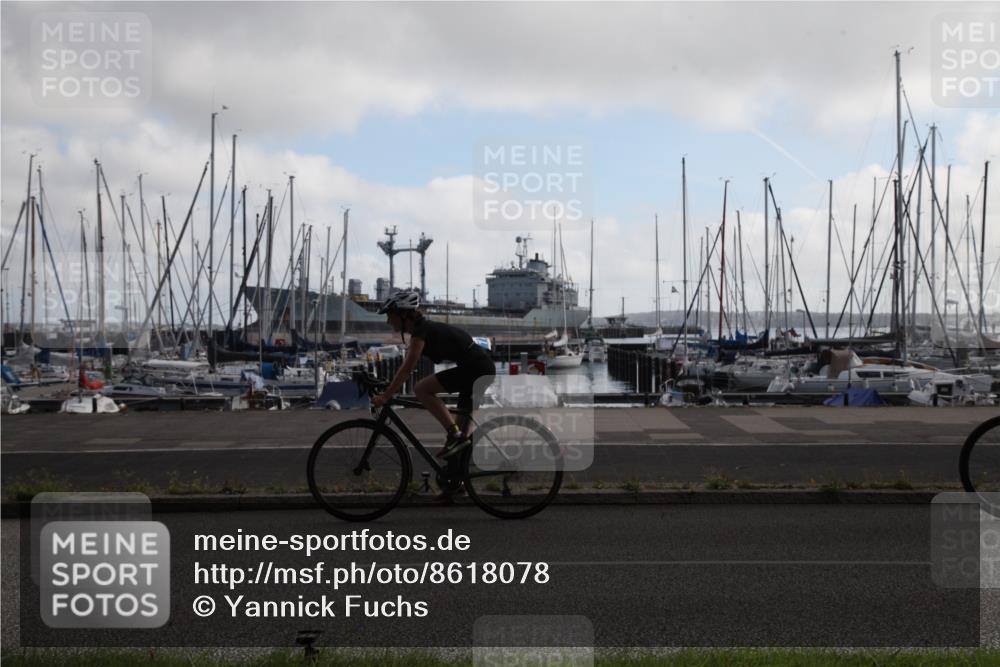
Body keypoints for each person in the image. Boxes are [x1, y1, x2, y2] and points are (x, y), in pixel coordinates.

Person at [371, 289, 496, 462]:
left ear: (403, 314)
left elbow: (407, 368)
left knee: (421, 389)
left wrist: (386, 396)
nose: (388, 321)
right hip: (478, 368)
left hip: (475, 369)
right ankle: (456, 483)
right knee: (458, 446)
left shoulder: (420, 332)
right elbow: (406, 366)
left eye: (390, 315)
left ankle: (454, 433)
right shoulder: (423, 329)